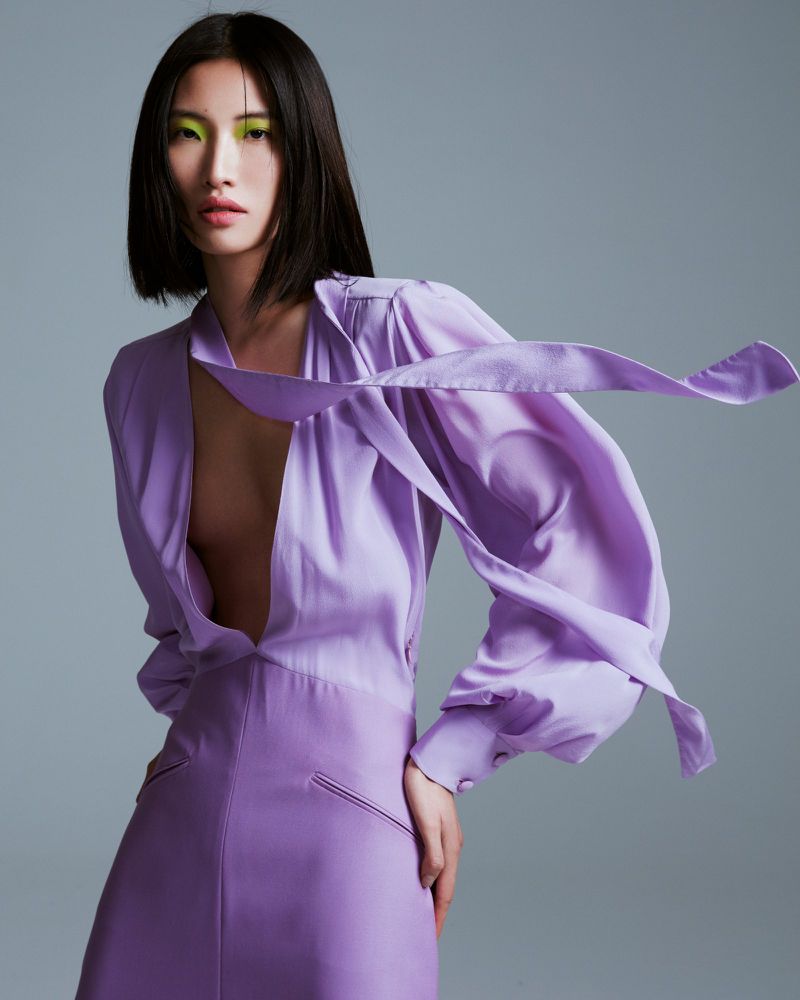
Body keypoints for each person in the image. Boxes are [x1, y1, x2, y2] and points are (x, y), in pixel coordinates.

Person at [74, 11, 798, 1000]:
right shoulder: (140, 383)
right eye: (187, 133)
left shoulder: (395, 333)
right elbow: (183, 642)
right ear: (156, 161)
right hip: (182, 812)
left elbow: (580, 533)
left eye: (255, 132)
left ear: (303, 149)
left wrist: (448, 754)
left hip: (351, 826)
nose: (218, 168)